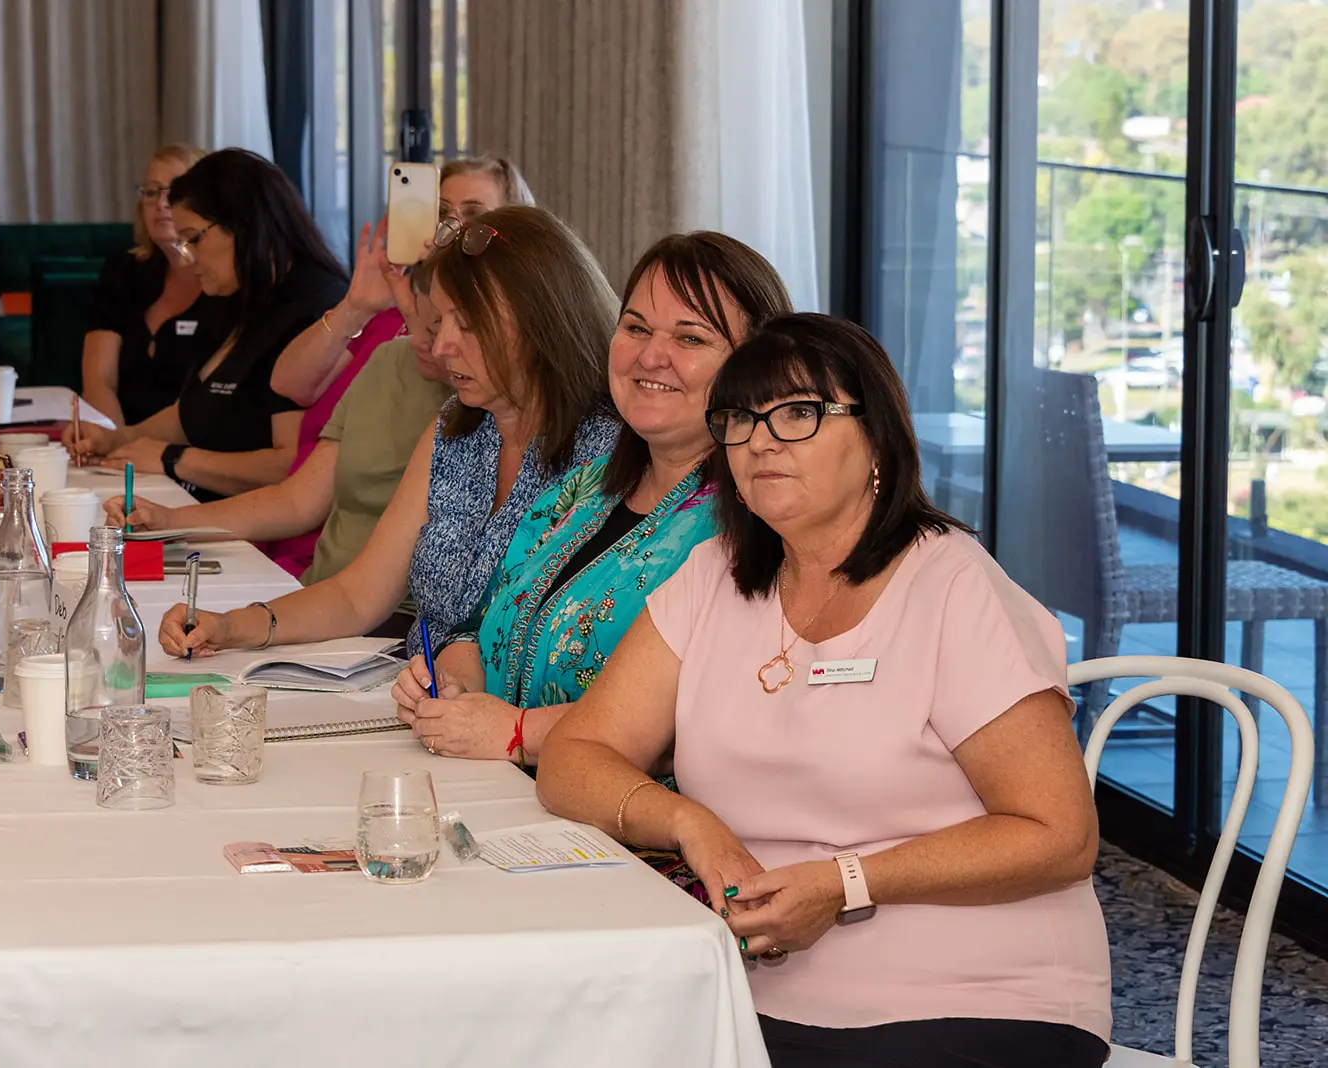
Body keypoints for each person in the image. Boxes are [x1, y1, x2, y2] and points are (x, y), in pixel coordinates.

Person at [535, 314, 1112, 1068]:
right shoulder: (715, 576)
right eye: (739, 419)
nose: (761, 440)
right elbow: (575, 756)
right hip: (751, 994)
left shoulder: (952, 586)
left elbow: (1060, 835)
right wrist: (685, 823)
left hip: (980, 996)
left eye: (799, 414)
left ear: (877, 437)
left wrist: (845, 883)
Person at [390, 232, 793, 764]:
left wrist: (516, 732)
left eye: (690, 339)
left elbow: (708, 713)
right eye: (636, 328)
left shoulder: (755, 523)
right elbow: (478, 622)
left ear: (755, 369)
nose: (651, 355)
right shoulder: (584, 489)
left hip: (634, 831)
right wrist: (450, 684)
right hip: (507, 800)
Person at [158, 205, 620, 659]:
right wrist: (231, 625)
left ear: (543, 325)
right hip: (420, 701)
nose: (441, 347)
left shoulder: (608, 452)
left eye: (468, 325)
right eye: (439, 322)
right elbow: (359, 596)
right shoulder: (454, 431)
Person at [104, 263, 452, 586]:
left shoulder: (478, 404)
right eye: (414, 316)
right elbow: (298, 501)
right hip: (318, 592)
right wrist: (169, 522)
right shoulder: (388, 360)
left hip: (368, 617)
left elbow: (365, 599)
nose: (419, 339)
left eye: (435, 326)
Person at [64, 149, 348, 502]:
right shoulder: (235, 297)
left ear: (243, 224)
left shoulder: (314, 309)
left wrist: (174, 459)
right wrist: (120, 439)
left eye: (194, 239)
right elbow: (195, 411)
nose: (188, 257)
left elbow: (292, 464)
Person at [268, 154, 535, 409]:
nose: (452, 222)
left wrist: (415, 313)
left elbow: (465, 383)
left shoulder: (502, 321)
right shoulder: (391, 309)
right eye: (441, 210)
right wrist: (356, 305)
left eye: (473, 213)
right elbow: (291, 385)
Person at [80, 143, 211, 427]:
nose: (161, 203)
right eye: (152, 192)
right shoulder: (123, 272)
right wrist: (118, 446)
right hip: (119, 448)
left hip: (192, 449)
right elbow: (98, 380)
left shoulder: (225, 283)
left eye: (175, 190)